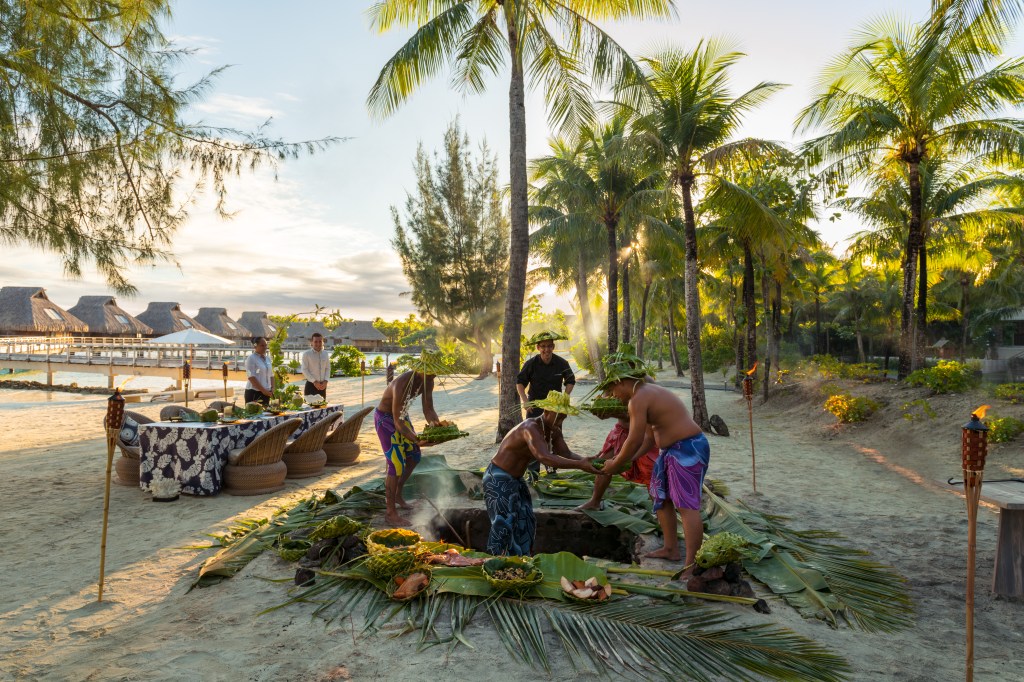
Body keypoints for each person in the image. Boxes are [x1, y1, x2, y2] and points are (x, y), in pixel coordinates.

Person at [596, 359, 709, 580]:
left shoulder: (638, 398)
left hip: (688, 449)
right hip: (669, 451)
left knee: (686, 506)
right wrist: (629, 461)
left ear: (621, 382)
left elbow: (633, 438)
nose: (613, 396)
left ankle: (692, 566)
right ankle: (671, 548)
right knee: (661, 496)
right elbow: (648, 439)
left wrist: (617, 462)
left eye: (612, 390)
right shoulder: (644, 394)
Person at [484, 391, 600, 555]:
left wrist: (587, 461)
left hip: (516, 480)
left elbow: (565, 453)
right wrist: (580, 465)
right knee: (503, 524)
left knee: (526, 520)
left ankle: (521, 561)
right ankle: (496, 564)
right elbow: (544, 457)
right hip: (498, 477)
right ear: (547, 412)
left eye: (563, 418)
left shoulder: (553, 429)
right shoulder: (530, 428)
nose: (560, 422)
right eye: (558, 417)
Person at [374, 354, 444, 526]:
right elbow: (397, 422)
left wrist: (437, 427)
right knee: (396, 463)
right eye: (431, 373)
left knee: (414, 456)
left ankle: (398, 493)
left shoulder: (428, 380)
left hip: (401, 417)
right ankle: (390, 513)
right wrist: (417, 439)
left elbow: (429, 409)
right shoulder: (402, 384)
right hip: (386, 420)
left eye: (436, 373)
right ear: (421, 371)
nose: (434, 376)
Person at [576, 414, 659, 511]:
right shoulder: (618, 398)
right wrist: (603, 411)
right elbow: (606, 414)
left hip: (643, 433)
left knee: (650, 474)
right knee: (604, 463)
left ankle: (659, 511)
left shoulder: (642, 399)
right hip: (621, 431)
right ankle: (595, 501)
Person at [516, 331, 576, 419]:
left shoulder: (562, 363)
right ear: (538, 347)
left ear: (553, 347)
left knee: (553, 432)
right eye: (543, 346)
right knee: (534, 432)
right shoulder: (530, 364)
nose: (546, 349)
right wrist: (525, 401)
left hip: (555, 407)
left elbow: (570, 381)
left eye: (549, 346)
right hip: (534, 406)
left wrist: (565, 397)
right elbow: (520, 382)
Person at [243, 336, 274, 406]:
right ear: (255, 346)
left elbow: (271, 375)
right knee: (254, 415)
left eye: (266, 345)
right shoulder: (251, 358)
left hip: (266, 392)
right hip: (254, 392)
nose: (265, 347)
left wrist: (272, 388)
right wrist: (263, 391)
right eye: (262, 345)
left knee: (266, 415)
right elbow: (251, 377)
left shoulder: (268, 359)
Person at [300, 332, 331, 399]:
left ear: (322, 342)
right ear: (312, 342)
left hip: (323, 386)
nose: (318, 343)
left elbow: (328, 368)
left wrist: (326, 381)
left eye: (320, 341)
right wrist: (314, 382)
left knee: (322, 407)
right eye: (316, 341)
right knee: (310, 407)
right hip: (311, 385)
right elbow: (304, 369)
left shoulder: (325, 354)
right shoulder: (306, 354)